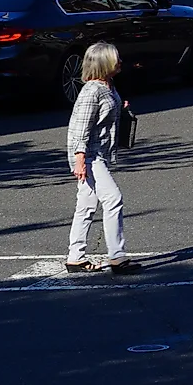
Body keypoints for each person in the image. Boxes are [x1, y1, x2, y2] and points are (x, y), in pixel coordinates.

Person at [64, 41, 133, 274]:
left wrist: (119, 108)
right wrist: (80, 160)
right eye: (116, 59)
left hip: (98, 154)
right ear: (104, 64)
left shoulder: (108, 85)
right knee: (113, 199)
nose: (120, 61)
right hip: (90, 156)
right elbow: (80, 129)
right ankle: (117, 256)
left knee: (86, 205)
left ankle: (75, 257)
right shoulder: (92, 91)